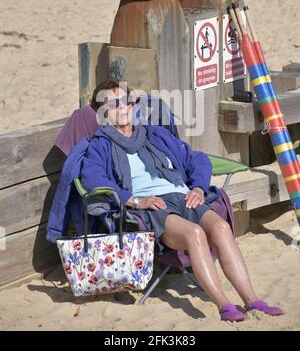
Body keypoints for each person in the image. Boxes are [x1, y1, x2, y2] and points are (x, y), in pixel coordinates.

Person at [80, 80, 283, 322]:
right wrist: (134, 200)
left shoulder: (155, 134)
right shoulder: (101, 145)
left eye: (127, 101)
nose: (122, 108)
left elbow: (196, 160)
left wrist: (197, 186)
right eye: (113, 104)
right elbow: (93, 180)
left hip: (183, 195)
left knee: (221, 227)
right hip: (153, 208)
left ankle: (252, 301)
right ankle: (224, 305)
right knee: (195, 233)